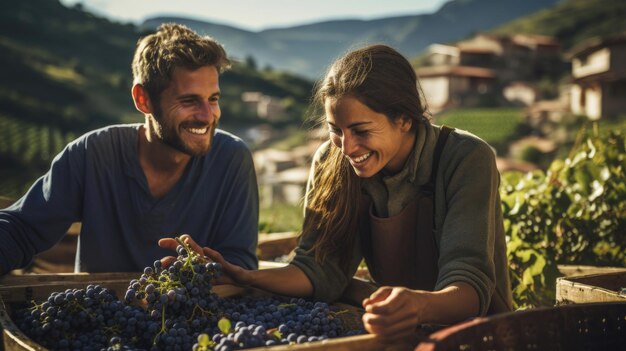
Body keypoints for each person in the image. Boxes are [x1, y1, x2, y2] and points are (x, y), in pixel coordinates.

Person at [160, 44, 513, 339]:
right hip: (395, 334)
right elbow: (318, 271)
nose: (347, 147)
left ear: (404, 119)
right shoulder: (332, 161)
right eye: (335, 130)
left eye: (361, 130)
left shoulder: (465, 158)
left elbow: (470, 288)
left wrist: (418, 304)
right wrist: (244, 276)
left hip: (475, 336)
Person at [0, 24, 259, 275]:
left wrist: (202, 271)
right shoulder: (93, 154)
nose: (207, 116)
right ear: (143, 99)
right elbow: (21, 230)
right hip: (99, 315)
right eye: (189, 100)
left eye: (213, 99)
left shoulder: (231, 159)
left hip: (194, 316)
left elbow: (242, 262)